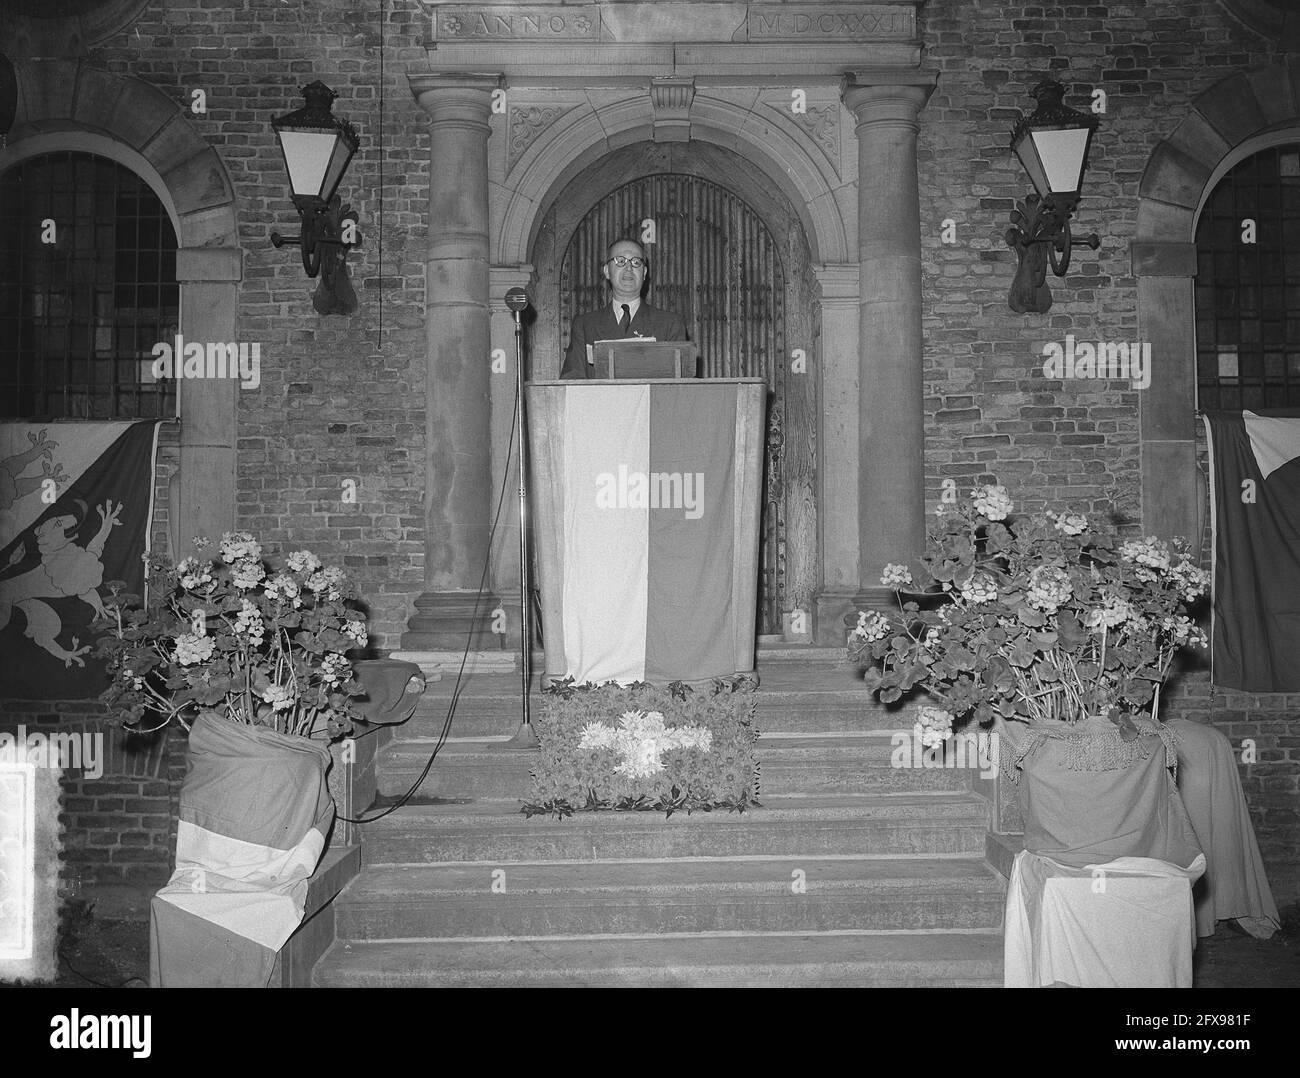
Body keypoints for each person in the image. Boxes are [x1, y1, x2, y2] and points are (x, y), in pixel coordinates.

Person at [560, 238, 689, 379]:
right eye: (620, 261)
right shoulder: (585, 325)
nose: (629, 268)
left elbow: (679, 388)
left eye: (636, 262)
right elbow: (572, 382)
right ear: (607, 271)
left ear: (644, 273)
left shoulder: (670, 324)